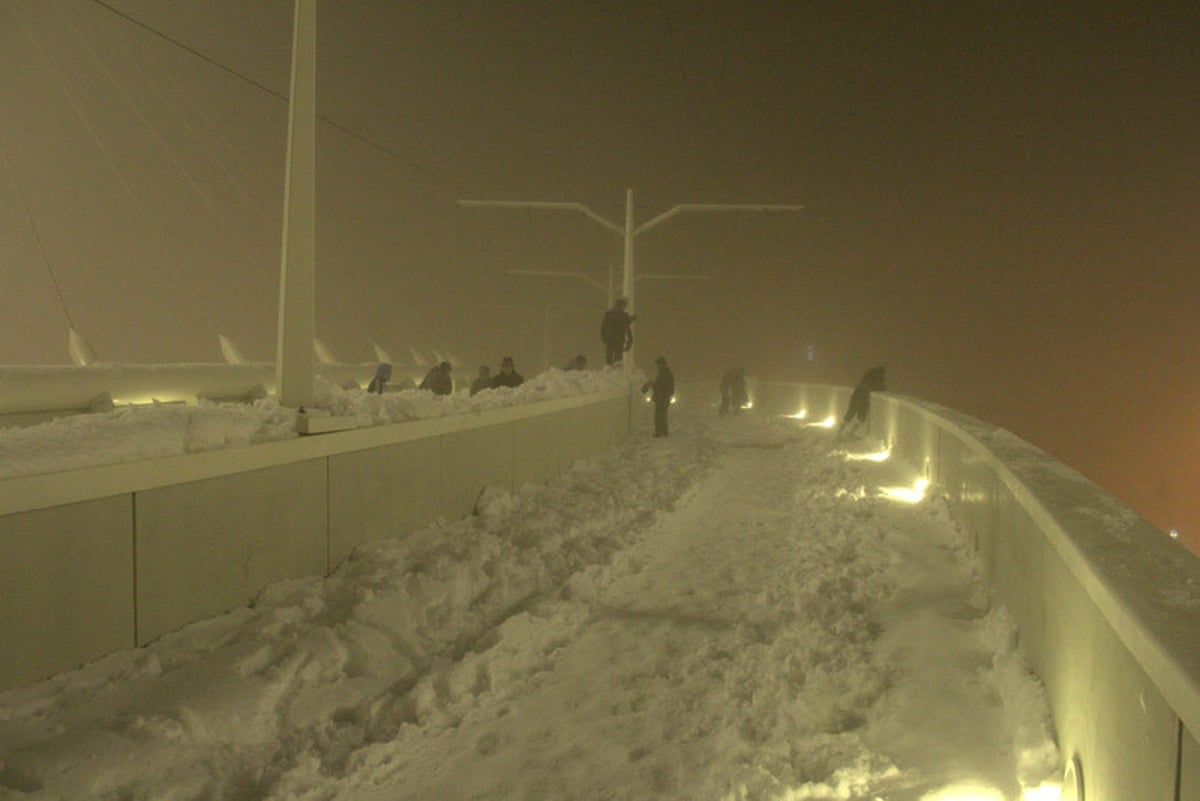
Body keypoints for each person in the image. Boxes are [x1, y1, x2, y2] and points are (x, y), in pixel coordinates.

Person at [839, 365, 887, 437]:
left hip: (858, 395)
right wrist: (882, 387)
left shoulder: (869, 374)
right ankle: (849, 432)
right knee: (860, 417)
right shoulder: (877, 377)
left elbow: (869, 384)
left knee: (851, 414)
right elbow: (877, 387)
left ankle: (840, 431)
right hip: (863, 398)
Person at [641, 355, 675, 437]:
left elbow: (661, 386)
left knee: (659, 416)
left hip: (662, 398)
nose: (657, 366)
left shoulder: (665, 373)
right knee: (661, 415)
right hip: (663, 398)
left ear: (662, 364)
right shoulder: (665, 373)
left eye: (658, 364)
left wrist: (650, 384)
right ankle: (663, 432)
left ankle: (660, 433)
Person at [600, 298, 636, 366]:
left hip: (609, 339)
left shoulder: (608, 314)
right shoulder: (623, 315)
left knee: (610, 359)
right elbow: (626, 327)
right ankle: (615, 371)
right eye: (624, 306)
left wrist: (603, 337)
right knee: (617, 360)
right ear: (621, 305)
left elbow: (603, 327)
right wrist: (630, 341)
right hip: (618, 340)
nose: (624, 308)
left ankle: (610, 371)